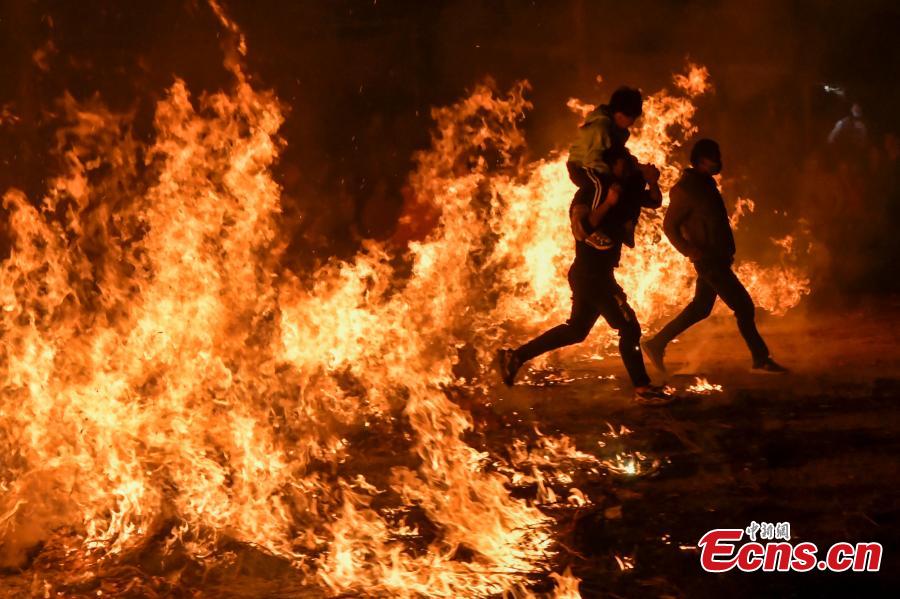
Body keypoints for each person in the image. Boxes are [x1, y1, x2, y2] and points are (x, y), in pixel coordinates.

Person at [497, 142, 673, 406]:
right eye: (624, 162)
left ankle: (515, 357)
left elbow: (654, 202)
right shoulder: (590, 192)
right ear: (610, 166)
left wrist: (652, 182)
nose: (629, 165)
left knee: (576, 330)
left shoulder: (624, 190)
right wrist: (609, 203)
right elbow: (581, 229)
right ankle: (643, 388)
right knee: (629, 327)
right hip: (592, 274)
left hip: (592, 274)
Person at [642, 139, 788, 374]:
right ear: (700, 160)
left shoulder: (705, 184)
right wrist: (689, 250)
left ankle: (656, 343)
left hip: (717, 258)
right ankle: (760, 359)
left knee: (700, 308)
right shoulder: (686, 189)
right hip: (709, 261)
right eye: (713, 158)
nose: (718, 162)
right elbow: (670, 226)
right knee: (744, 307)